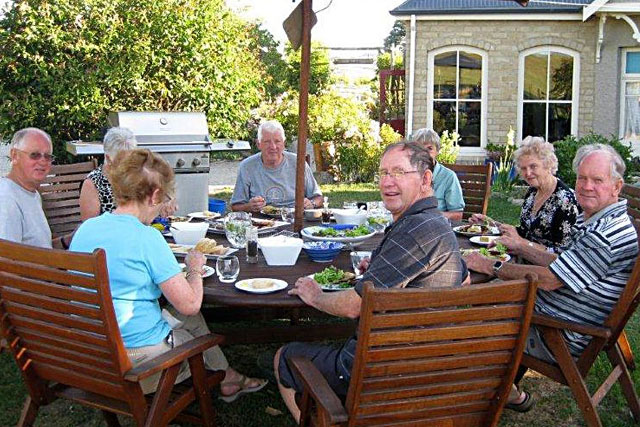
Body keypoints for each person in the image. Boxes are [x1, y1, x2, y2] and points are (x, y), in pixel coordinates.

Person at [274, 141, 469, 422]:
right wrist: (378, 267)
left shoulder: (415, 230)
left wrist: (314, 295)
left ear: (426, 179)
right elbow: (463, 276)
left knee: (284, 355)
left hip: (382, 369)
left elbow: (355, 306)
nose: (387, 182)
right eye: (383, 173)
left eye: (399, 172)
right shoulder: (434, 223)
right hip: (422, 359)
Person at [70, 148, 267, 400]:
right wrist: (194, 268)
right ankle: (220, 377)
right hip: (137, 363)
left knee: (193, 324)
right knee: (193, 327)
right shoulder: (147, 238)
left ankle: (228, 378)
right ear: (153, 196)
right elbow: (191, 304)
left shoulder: (87, 229)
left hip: (92, 353)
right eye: (165, 196)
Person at [464, 143, 638, 412]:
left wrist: (492, 267)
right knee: (487, 300)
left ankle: (500, 394)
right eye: (582, 178)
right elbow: (562, 263)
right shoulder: (600, 219)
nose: (586, 186)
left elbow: (549, 279)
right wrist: (520, 248)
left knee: (467, 315)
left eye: (597, 180)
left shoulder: (603, 235)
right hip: (560, 316)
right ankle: (502, 387)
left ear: (616, 186)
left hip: (559, 334)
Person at [470, 136, 579, 262]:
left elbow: (561, 254)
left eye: (533, 166)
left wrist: (521, 243)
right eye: (523, 168)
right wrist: (490, 224)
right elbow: (526, 231)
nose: (527, 173)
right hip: (522, 259)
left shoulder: (565, 201)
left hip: (545, 271)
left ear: (548, 165)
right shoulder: (533, 192)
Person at [0, 127, 71, 249]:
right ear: (14, 155)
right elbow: (7, 262)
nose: (43, 161)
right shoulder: (6, 200)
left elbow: (40, 250)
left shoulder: (32, 193)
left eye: (47, 156)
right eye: (35, 155)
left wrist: (67, 240)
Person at [231, 120, 323, 213]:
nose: (273, 147)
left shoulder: (298, 163)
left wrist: (311, 203)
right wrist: (249, 206)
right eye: (267, 142)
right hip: (261, 222)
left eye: (277, 141)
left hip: (295, 218)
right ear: (258, 144)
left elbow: (318, 198)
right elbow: (235, 206)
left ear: (284, 143)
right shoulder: (247, 166)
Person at [79, 127, 138, 220]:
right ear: (108, 158)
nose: (128, 165)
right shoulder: (93, 183)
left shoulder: (135, 176)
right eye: (122, 161)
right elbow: (90, 228)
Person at [410, 128, 464, 221]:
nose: (425, 153)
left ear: (437, 151)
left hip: (437, 226)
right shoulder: (408, 174)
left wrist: (429, 216)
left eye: (430, 148)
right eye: (420, 148)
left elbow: (457, 215)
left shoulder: (448, 177)